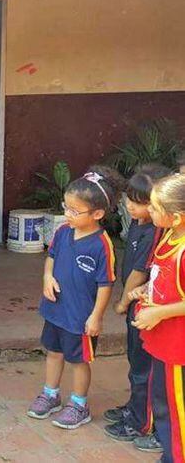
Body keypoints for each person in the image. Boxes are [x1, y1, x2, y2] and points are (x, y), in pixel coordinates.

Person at [26, 166, 124, 430]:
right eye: (65, 207)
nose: (67, 215)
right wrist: (47, 277)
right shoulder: (62, 232)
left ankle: (79, 404)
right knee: (53, 352)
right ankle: (50, 394)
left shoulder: (102, 245)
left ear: (98, 214)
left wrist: (96, 316)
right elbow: (52, 258)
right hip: (55, 309)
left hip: (80, 317)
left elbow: (106, 284)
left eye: (74, 211)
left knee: (78, 360)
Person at [104, 164, 172, 444]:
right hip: (138, 304)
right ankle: (136, 409)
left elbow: (139, 272)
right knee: (135, 359)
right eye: (129, 199)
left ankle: (143, 422)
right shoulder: (138, 223)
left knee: (145, 365)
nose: (131, 206)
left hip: (144, 305)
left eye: (140, 203)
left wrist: (122, 302)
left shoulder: (154, 232)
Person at [128, 174, 185, 463]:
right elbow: (163, 277)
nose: (148, 211)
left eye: (154, 207)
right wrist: (145, 290)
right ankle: (171, 453)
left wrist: (159, 312)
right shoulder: (167, 237)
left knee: (177, 408)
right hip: (162, 340)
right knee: (163, 403)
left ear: (175, 217)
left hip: (178, 346)